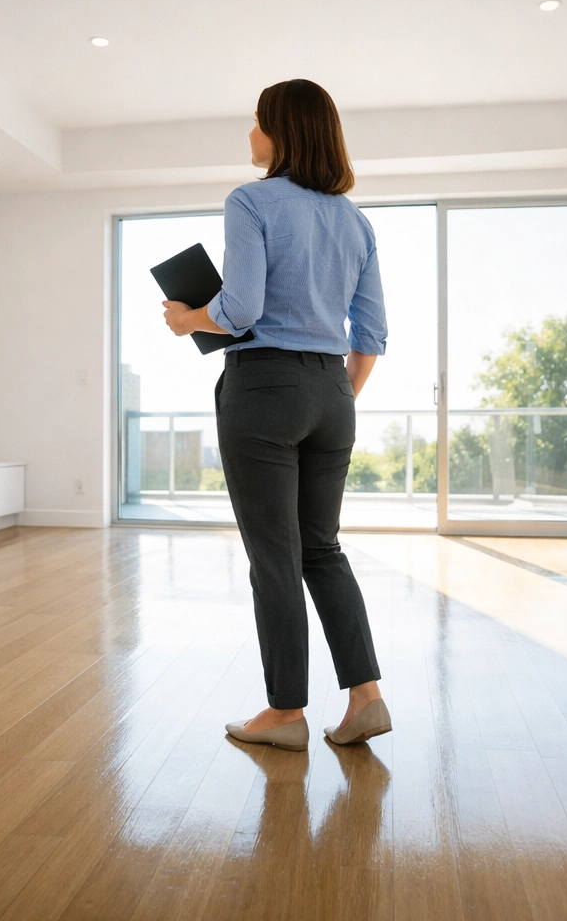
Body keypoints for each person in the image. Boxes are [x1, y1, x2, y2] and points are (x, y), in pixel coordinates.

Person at [162, 78, 391, 752]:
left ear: (282, 132)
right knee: (322, 549)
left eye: (258, 122)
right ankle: (365, 698)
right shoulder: (356, 221)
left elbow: (240, 310)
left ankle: (286, 713)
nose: (251, 134)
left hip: (263, 389)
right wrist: (334, 395)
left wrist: (186, 320)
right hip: (332, 393)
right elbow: (371, 336)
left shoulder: (252, 201)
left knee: (275, 556)